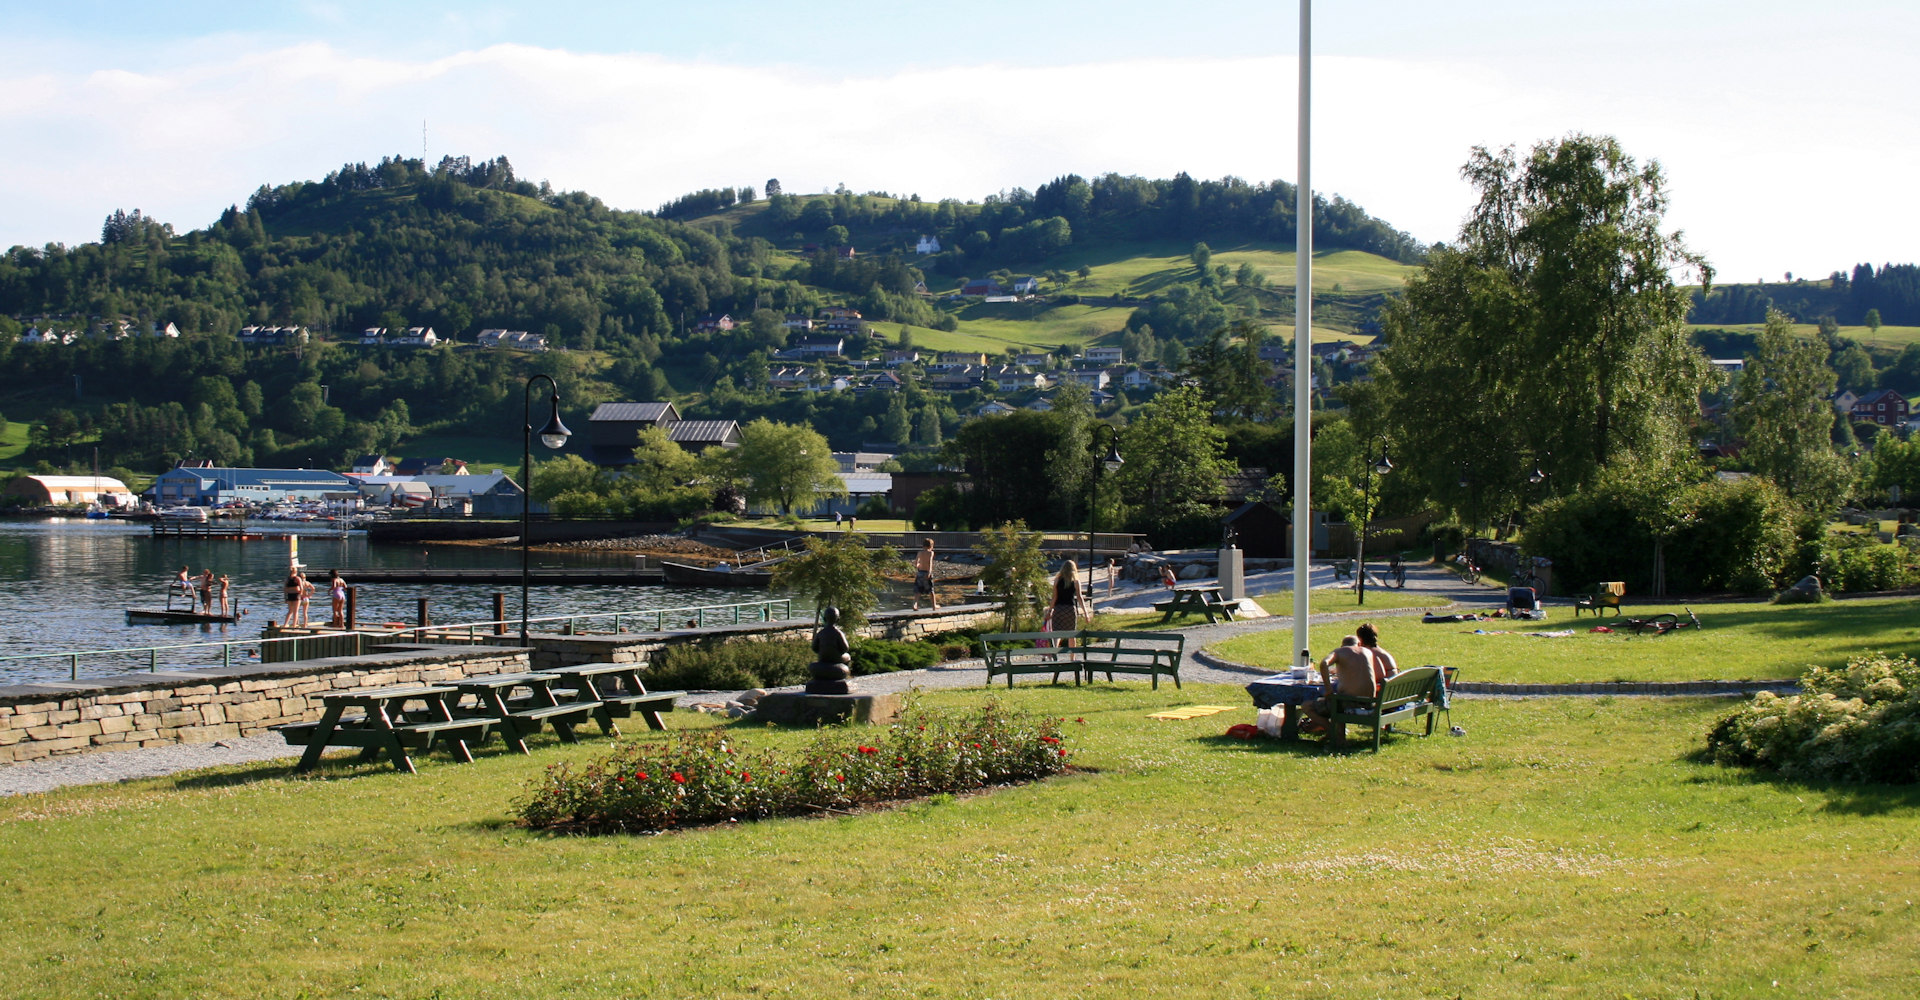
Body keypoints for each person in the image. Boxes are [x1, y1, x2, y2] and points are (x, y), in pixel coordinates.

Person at [1303, 622, 1384, 737]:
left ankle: (1334, 731)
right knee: (1338, 699)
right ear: (1359, 644)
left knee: (1307, 705)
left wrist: (1328, 689)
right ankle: (1339, 736)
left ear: (1342, 645)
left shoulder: (1339, 652)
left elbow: (1324, 663)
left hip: (1349, 703)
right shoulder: (1367, 652)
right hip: (1369, 703)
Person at [1049, 560, 1088, 649]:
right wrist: (1085, 613)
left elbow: (1054, 597)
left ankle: (1054, 653)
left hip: (1058, 608)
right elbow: (1079, 597)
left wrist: (1050, 611)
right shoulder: (1075, 582)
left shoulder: (1057, 580)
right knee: (1072, 634)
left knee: (1056, 633)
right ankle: (1072, 657)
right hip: (1070, 609)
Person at [912, 537, 939, 611]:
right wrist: (930, 572)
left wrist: (918, 566)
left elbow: (916, 562)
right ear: (931, 546)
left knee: (918, 590)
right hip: (927, 573)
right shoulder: (931, 553)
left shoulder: (920, 552)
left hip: (920, 572)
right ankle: (934, 606)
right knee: (931, 590)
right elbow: (930, 563)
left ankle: (915, 604)